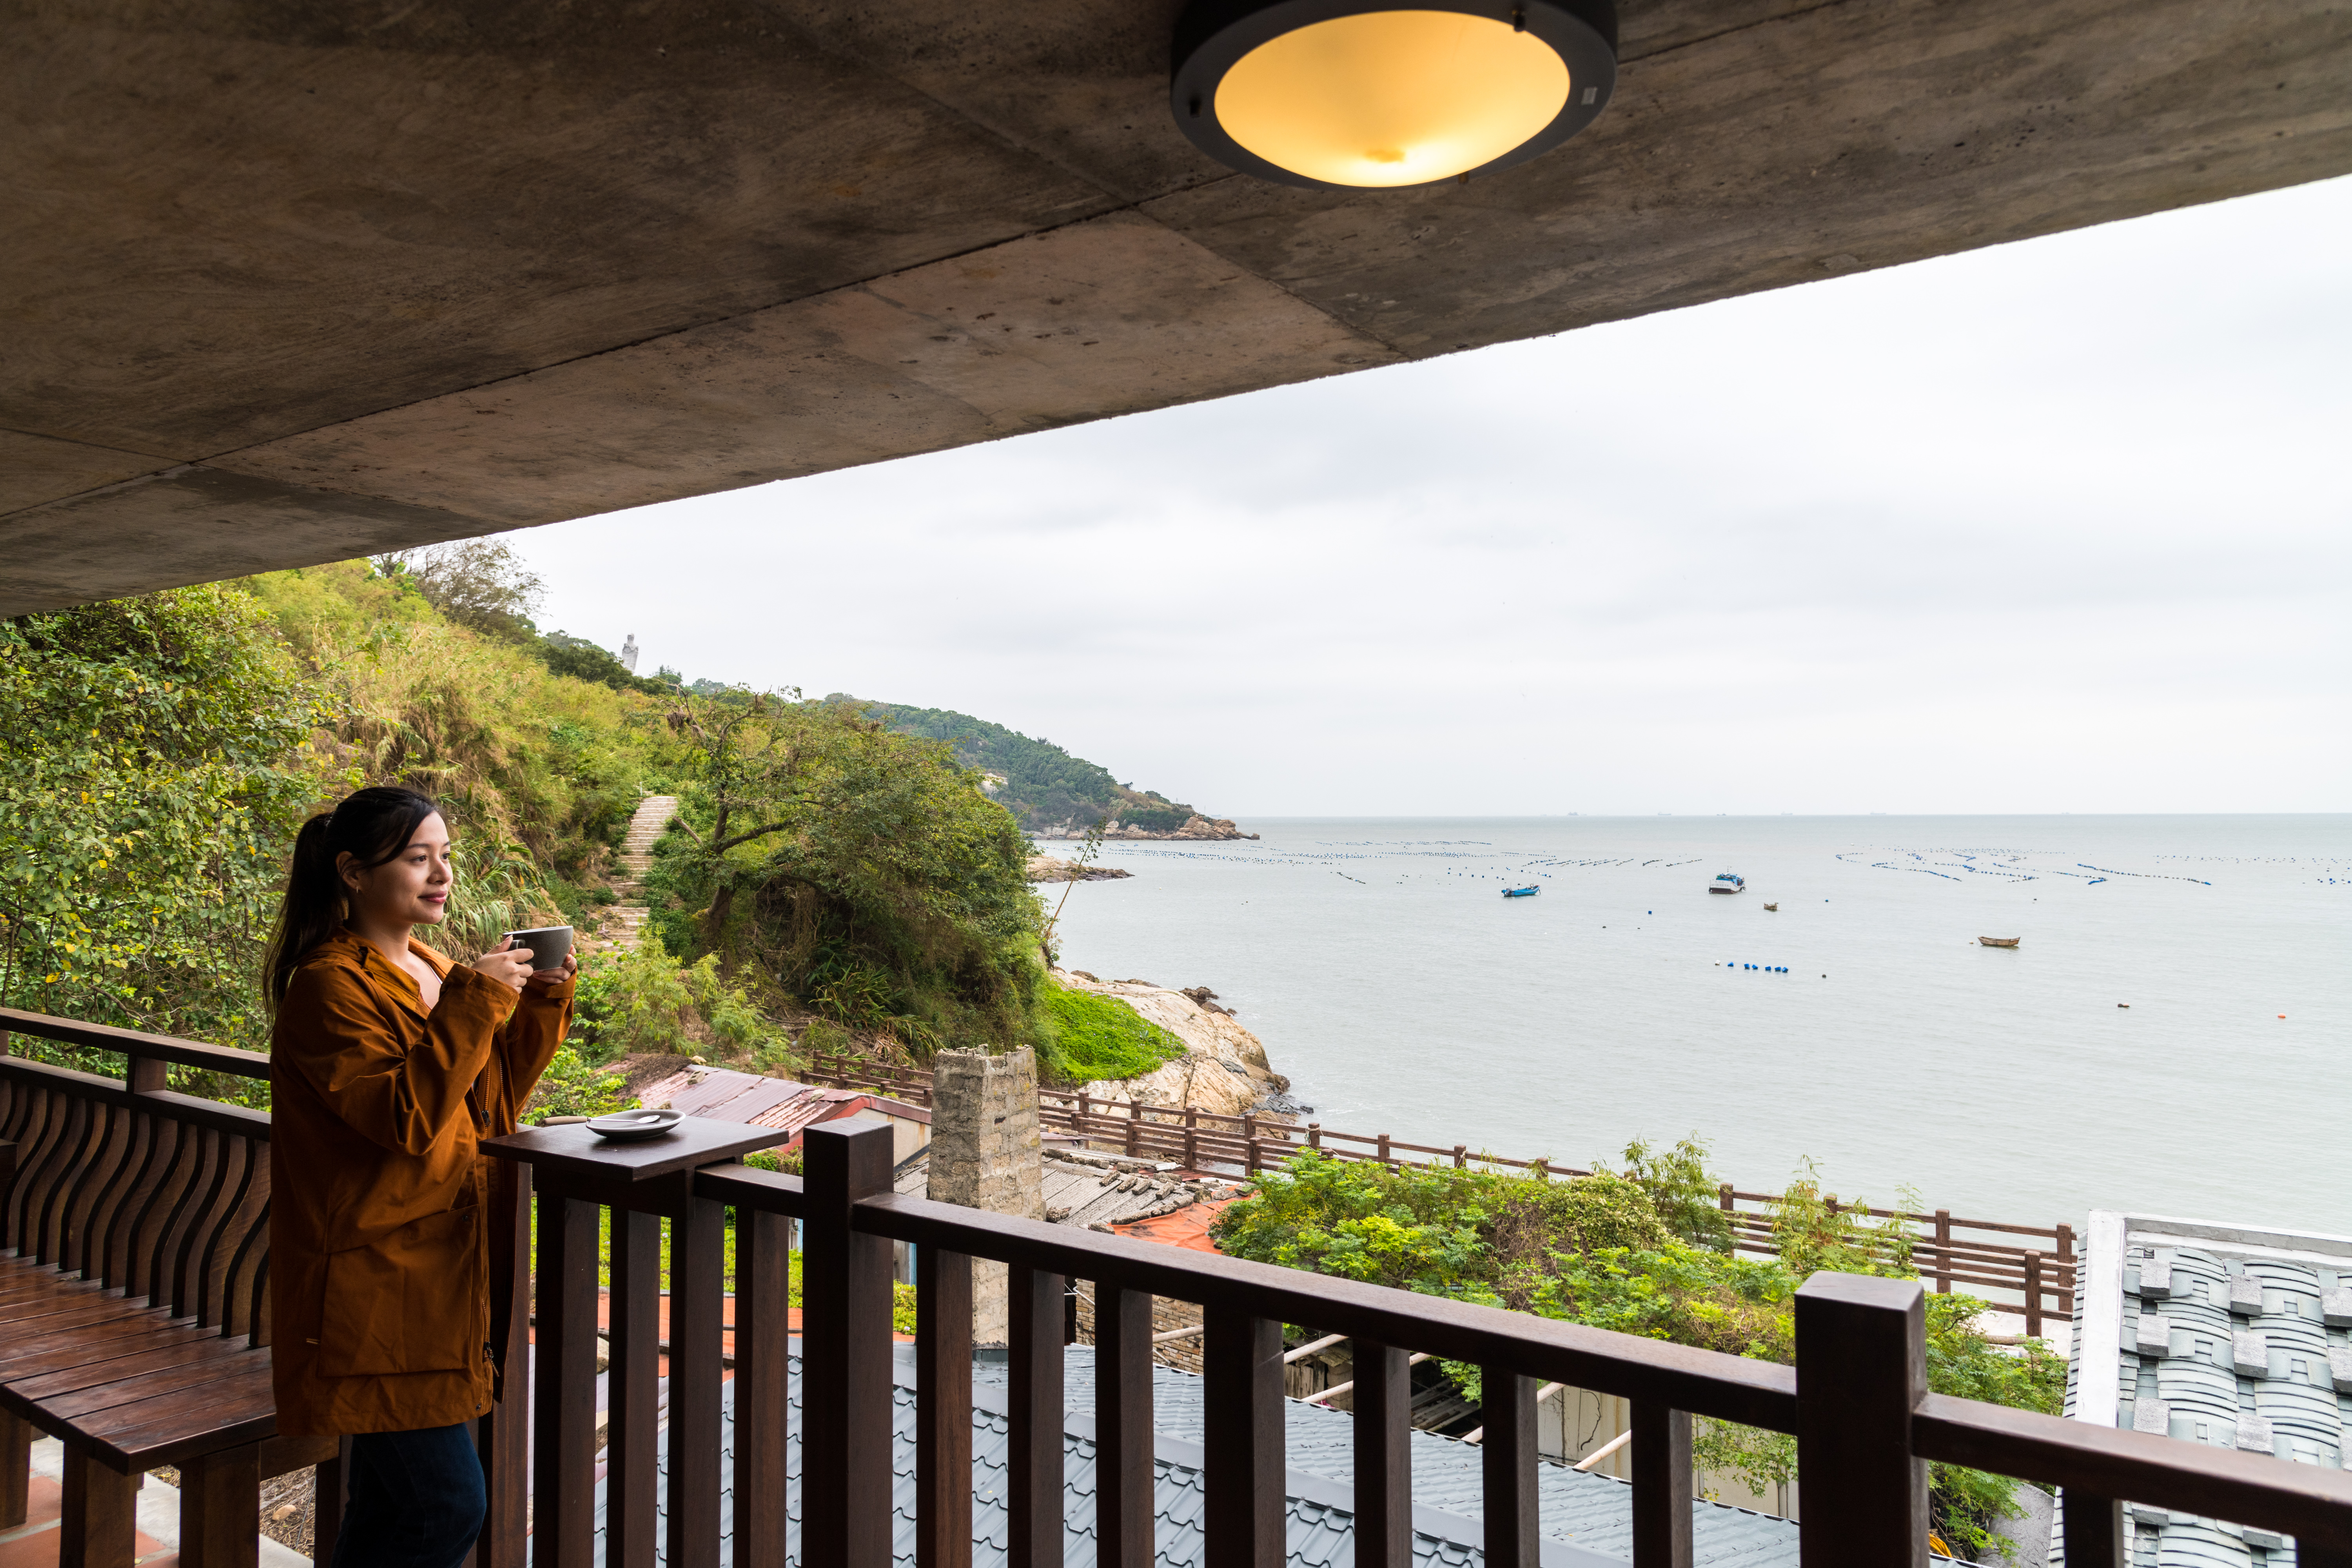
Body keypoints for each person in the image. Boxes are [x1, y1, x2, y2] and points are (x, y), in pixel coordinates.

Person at [262, 786, 575, 1568]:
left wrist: (536, 1001)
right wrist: (480, 995)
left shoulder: (433, 966)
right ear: (353, 871)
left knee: (390, 1506)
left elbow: (489, 1101)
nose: (441, 875)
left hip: (440, 1277)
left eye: (445, 856)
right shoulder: (329, 985)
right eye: (416, 857)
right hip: (375, 1284)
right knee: (445, 1506)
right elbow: (405, 1117)